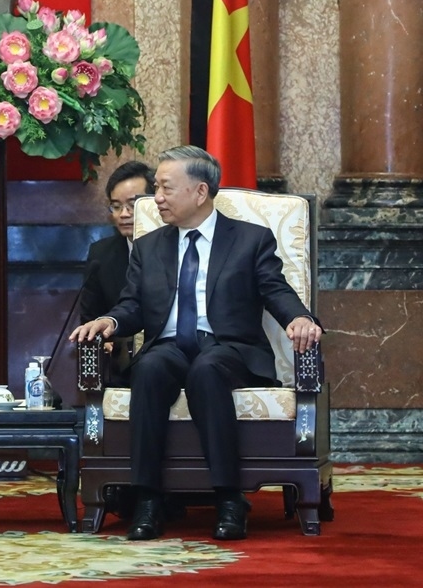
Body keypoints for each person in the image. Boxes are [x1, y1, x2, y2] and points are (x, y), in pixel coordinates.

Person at [72, 146, 322, 541]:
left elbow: (275, 290)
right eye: (157, 188)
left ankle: (229, 498)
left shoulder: (250, 240)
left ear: (200, 191)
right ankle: (149, 499)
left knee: (207, 370)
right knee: (150, 368)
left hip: (229, 347)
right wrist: (110, 319)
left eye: (166, 188)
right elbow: (132, 305)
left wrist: (301, 319)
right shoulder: (151, 246)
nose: (157, 199)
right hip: (170, 345)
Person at [69, 160, 156, 382]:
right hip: (120, 364)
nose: (123, 214)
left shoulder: (176, 247)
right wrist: (100, 340)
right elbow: (90, 316)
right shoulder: (101, 254)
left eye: (132, 205)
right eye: (116, 206)